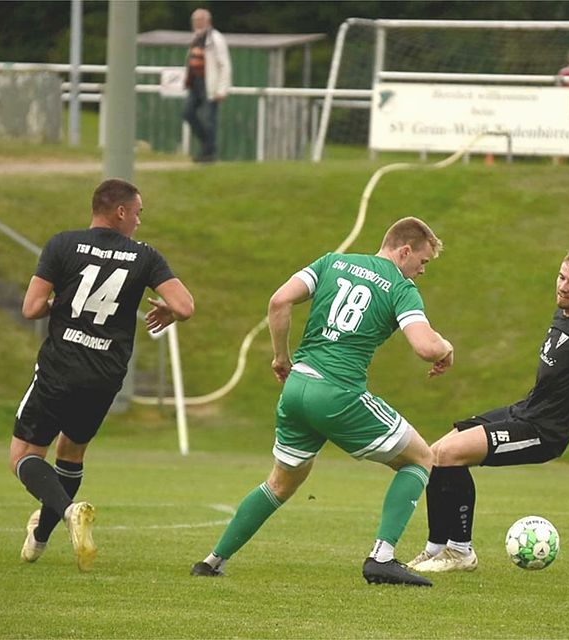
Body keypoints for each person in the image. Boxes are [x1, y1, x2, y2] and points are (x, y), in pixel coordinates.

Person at [190, 217, 455, 587]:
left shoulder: (332, 261)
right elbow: (426, 347)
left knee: (280, 484)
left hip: (297, 387)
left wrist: (281, 358)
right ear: (404, 251)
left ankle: (212, 561)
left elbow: (279, 300)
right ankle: (382, 558)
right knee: (421, 458)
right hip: (338, 393)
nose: (422, 271)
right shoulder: (400, 286)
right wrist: (447, 347)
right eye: (423, 261)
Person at [13, 179, 195, 571]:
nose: (139, 223)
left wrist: (55, 305)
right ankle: (40, 538)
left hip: (60, 367)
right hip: (105, 374)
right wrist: (168, 310)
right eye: (138, 213)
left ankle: (66, 511)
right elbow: (186, 305)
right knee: (71, 455)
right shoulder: (145, 256)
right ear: (120, 212)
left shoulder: (62, 244)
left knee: (23, 456)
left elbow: (30, 308)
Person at [408, 248, 569, 573]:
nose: (563, 287)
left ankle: (461, 552)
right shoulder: (563, 314)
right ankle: (435, 548)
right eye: (562, 277)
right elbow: (567, 380)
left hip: (542, 433)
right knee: (434, 453)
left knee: (452, 453)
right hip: (524, 411)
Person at [183, 8, 231, 163]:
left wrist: (222, 88)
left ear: (207, 21)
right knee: (188, 113)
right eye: (195, 21)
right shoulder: (196, 38)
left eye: (199, 20)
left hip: (209, 84)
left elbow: (224, 64)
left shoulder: (215, 39)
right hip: (195, 83)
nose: (196, 23)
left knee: (210, 119)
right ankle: (207, 145)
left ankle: (208, 153)